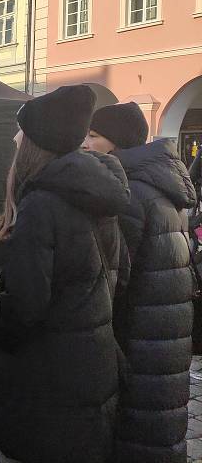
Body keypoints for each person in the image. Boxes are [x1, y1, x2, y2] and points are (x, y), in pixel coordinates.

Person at [0, 85, 130, 463]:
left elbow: (24, 306)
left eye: (20, 135)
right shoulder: (97, 198)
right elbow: (116, 277)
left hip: (45, 381)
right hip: (88, 371)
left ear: (34, 145)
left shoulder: (41, 205)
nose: (14, 139)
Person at [82, 102, 196, 463]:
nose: (85, 143)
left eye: (93, 135)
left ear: (115, 143)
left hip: (138, 334)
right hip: (167, 333)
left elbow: (117, 278)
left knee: (136, 433)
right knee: (159, 428)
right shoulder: (163, 186)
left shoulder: (130, 192)